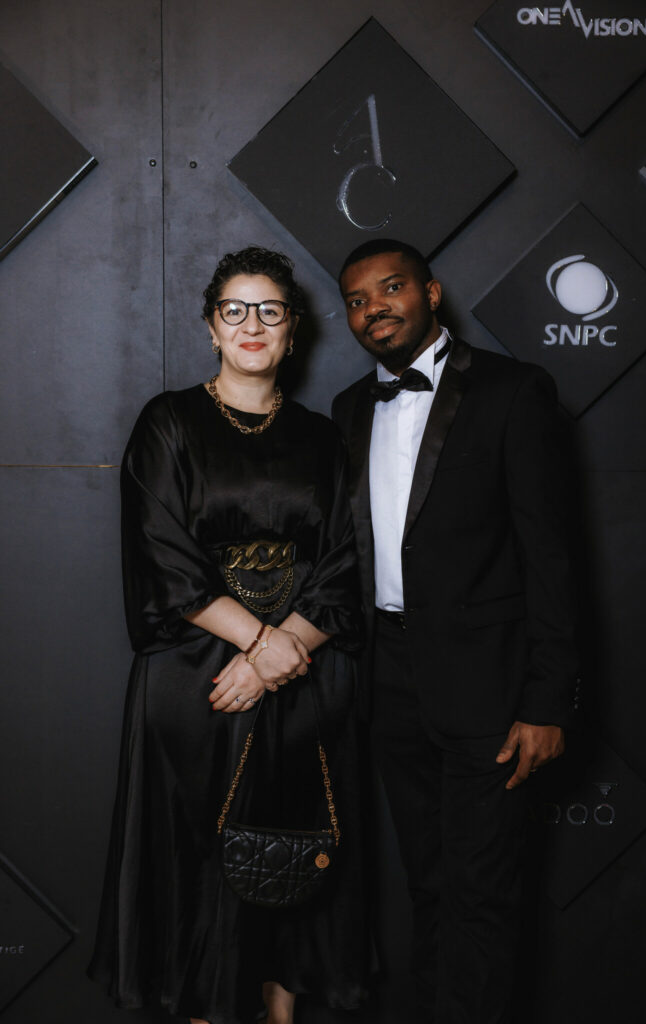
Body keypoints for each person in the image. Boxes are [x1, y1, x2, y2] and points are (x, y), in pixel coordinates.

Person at [89, 246, 370, 1024]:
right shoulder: (169, 421)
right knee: (196, 869)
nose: (253, 324)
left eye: (270, 310)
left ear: (292, 331)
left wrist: (282, 653)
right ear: (211, 327)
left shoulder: (323, 437)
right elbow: (161, 555)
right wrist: (258, 645)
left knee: (294, 868)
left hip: (304, 680)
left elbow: (345, 562)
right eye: (234, 310)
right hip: (196, 683)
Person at [332, 239, 580, 1024]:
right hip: (388, 680)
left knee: (482, 892)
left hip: (490, 684)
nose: (374, 309)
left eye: (391, 288)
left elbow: (550, 555)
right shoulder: (346, 409)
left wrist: (547, 700)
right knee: (429, 885)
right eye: (357, 300)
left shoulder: (513, 390)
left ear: (431, 293)